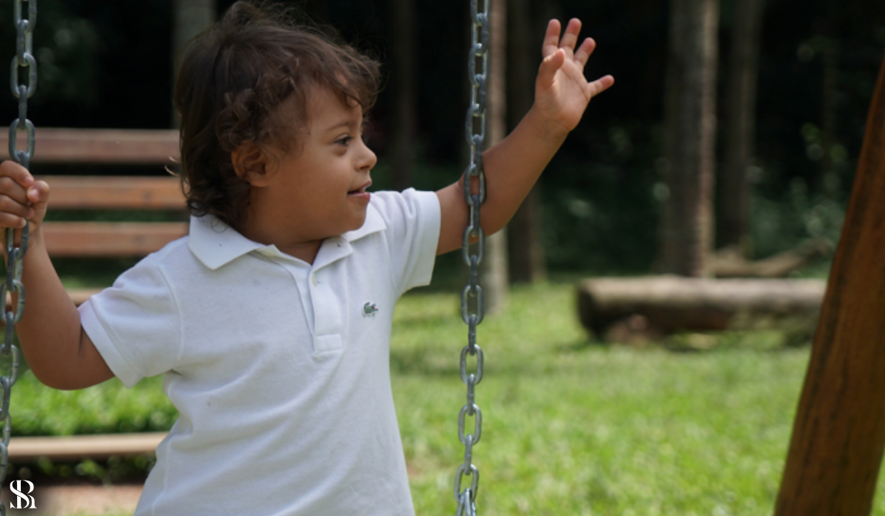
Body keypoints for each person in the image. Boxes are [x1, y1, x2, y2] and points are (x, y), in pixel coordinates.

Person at [0, 2, 613, 515]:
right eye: (342, 141)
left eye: (362, 135)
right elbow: (67, 359)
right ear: (256, 164)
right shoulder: (183, 278)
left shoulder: (380, 233)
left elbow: (479, 206)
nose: (368, 156)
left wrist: (546, 124)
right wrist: (28, 247)